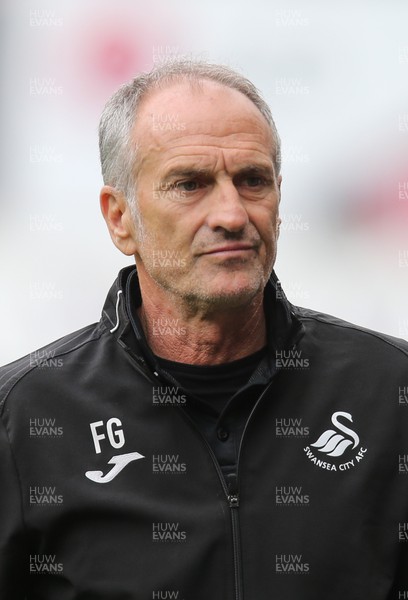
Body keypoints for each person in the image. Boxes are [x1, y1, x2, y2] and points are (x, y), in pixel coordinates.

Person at [0, 60, 407, 600]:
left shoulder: (389, 392)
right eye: (190, 184)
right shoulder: (24, 419)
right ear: (120, 217)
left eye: (253, 181)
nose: (232, 214)